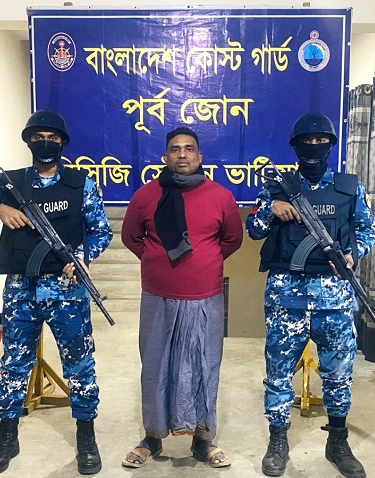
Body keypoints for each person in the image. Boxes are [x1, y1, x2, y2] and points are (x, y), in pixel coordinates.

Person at [0, 110, 112, 476]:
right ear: (28, 141)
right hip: (21, 290)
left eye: (53, 138)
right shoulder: (9, 182)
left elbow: (100, 230)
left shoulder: (81, 183)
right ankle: (7, 438)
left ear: (63, 144)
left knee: (80, 366)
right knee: (14, 366)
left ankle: (86, 437)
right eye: (39, 137)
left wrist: (83, 257)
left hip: (67, 290)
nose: (46, 143)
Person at [246, 113, 375, 478]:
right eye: (308, 141)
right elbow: (254, 230)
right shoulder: (278, 187)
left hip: (334, 301)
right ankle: (278, 441)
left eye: (321, 141)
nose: (314, 146)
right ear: (295, 146)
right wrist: (270, 209)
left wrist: (352, 254)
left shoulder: (350, 188)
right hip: (286, 299)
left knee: (338, 376)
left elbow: (368, 230)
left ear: (331, 145)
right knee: (278, 376)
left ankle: (337, 442)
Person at [120, 127, 243, 469]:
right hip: (158, 296)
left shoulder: (220, 196)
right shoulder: (146, 195)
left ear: (200, 156)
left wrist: (205, 262)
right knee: (155, 368)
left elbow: (232, 239)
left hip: (205, 297)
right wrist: (156, 259)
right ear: (165, 157)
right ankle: (152, 437)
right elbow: (131, 237)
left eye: (189, 149)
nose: (183, 154)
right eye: (175, 149)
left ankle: (203, 440)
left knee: (204, 368)